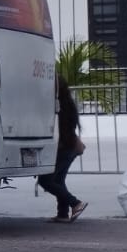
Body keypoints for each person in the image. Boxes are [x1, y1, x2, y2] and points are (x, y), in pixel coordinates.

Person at [39, 75, 88, 223]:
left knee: (46, 181)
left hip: (64, 148)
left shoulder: (58, 108)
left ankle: (76, 203)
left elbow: (60, 132)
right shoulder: (67, 104)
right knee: (59, 180)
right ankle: (62, 213)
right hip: (69, 147)